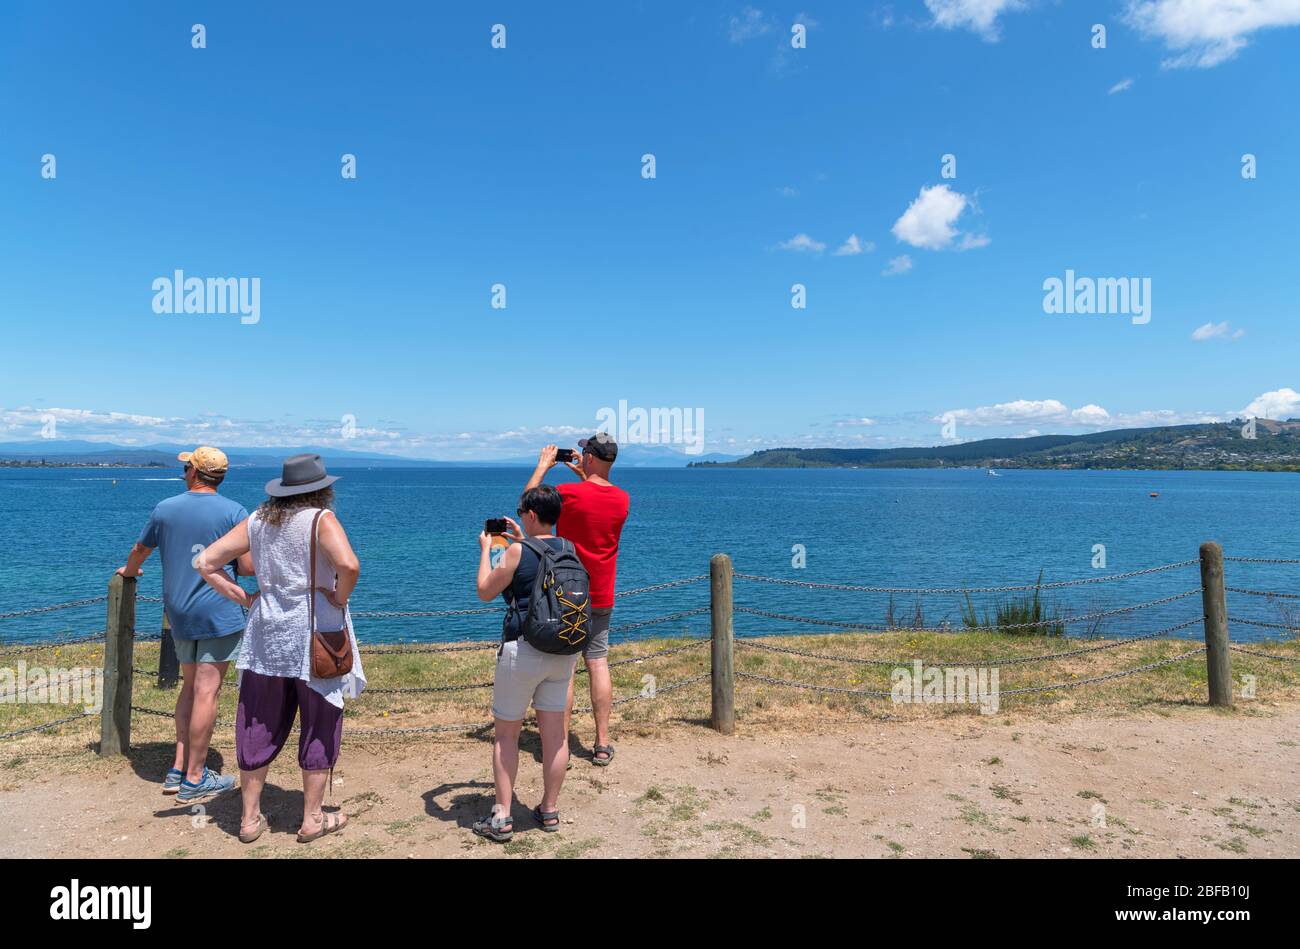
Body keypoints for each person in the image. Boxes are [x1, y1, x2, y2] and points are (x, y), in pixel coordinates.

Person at [196, 453, 365, 845]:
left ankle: (250, 819)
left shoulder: (257, 521)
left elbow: (205, 562)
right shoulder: (321, 520)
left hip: (266, 636)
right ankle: (311, 819)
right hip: (316, 635)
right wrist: (338, 598)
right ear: (321, 490)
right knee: (320, 722)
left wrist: (246, 599)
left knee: (257, 721)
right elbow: (350, 564)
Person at [116, 446, 253, 805]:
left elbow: (139, 551)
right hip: (218, 611)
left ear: (194, 472)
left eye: (187, 465)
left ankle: (178, 768)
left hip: (178, 611)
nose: (184, 470)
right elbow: (249, 566)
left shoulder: (165, 509)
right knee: (208, 691)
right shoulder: (236, 512)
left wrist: (129, 573)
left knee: (190, 686)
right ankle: (195, 777)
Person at [472, 484, 578, 842]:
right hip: (563, 651)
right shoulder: (569, 547)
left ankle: (501, 816)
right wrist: (523, 539)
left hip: (524, 648)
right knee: (554, 736)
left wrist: (488, 550)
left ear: (531, 515)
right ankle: (549, 810)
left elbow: (486, 591)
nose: (518, 518)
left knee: (506, 734)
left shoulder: (517, 551)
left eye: (521, 513)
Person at [525, 434, 629, 766]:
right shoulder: (622, 499)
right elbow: (597, 501)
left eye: (584, 452)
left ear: (590, 458)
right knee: (598, 662)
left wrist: (543, 466)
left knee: (566, 669)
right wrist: (587, 475)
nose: (580, 455)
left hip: (566, 595)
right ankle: (601, 743)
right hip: (602, 594)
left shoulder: (568, 494)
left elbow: (529, 510)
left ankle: (560, 748)